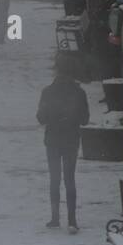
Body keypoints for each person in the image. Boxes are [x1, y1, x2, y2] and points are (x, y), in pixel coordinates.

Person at [36, 58, 90, 232]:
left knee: (54, 178)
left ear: (56, 72)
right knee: (69, 178)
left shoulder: (48, 92)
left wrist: (53, 117)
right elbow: (85, 119)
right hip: (71, 140)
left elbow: (41, 118)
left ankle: (54, 218)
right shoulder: (79, 93)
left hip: (52, 140)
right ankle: (72, 220)